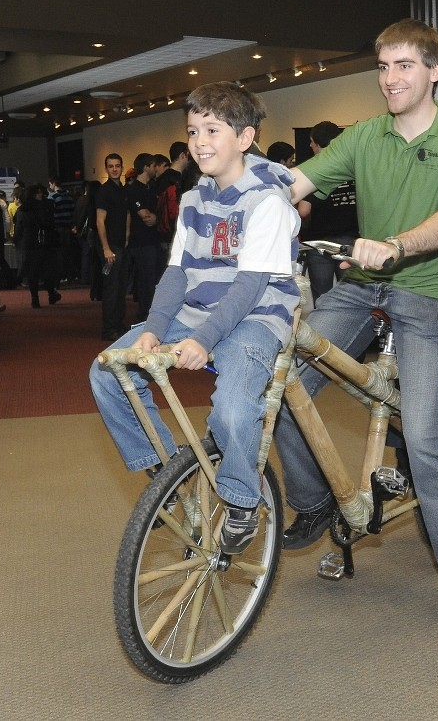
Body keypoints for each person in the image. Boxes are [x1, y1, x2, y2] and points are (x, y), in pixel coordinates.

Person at [275, 18, 438, 634]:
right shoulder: (364, 136)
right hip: (361, 286)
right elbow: (298, 180)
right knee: (284, 384)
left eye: (404, 65)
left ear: (434, 71)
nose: (390, 78)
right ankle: (318, 502)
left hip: (426, 293)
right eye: (382, 66)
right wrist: (253, 199)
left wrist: (397, 245)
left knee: (424, 437)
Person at [90, 81, 301, 556]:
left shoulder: (267, 200)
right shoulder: (192, 200)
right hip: (198, 311)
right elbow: (176, 274)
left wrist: (204, 340)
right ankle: (168, 471)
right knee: (107, 372)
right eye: (193, 130)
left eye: (213, 129)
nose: (200, 141)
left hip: (256, 316)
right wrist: (152, 330)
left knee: (233, 408)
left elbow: (249, 288)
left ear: (245, 138)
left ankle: (242, 498)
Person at [296, 121, 360, 302]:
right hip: (350, 239)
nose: (309, 146)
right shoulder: (352, 166)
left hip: (320, 242)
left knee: (323, 295)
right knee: (349, 295)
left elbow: (303, 210)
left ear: (318, 142)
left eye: (311, 141)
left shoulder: (315, 168)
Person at [94, 153, 130, 341]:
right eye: (111, 166)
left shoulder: (122, 190)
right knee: (111, 289)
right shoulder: (103, 191)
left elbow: (126, 215)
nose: (114, 169)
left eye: (117, 166)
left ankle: (117, 324)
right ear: (106, 168)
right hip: (110, 247)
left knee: (121, 288)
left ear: (122, 167)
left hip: (121, 245)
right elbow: (100, 222)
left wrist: (127, 234)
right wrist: (106, 248)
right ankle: (108, 329)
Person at [126, 152, 162, 323]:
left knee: (154, 279)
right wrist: (156, 217)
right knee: (146, 281)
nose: (156, 169)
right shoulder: (133, 189)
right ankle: (144, 316)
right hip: (141, 242)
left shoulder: (153, 187)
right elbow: (146, 217)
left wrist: (157, 217)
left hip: (153, 240)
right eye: (154, 165)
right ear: (146, 167)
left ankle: (151, 314)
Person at [13, 184, 61, 308]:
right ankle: (51, 293)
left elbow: (19, 228)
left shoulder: (23, 209)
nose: (40, 195)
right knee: (46, 271)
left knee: (32, 273)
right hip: (44, 242)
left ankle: (35, 298)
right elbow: (50, 224)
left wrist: (16, 241)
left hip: (29, 243)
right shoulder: (46, 206)